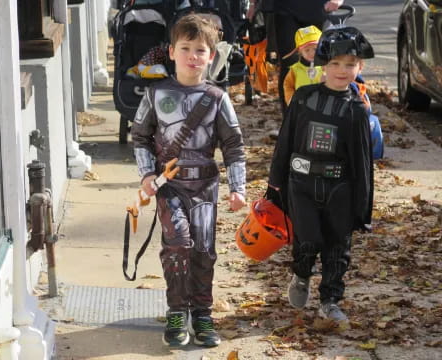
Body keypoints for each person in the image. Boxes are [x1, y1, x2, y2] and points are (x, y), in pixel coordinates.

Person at [131, 14, 247, 347]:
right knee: (178, 245)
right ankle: (177, 311)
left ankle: (203, 314)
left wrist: (238, 188)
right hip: (171, 187)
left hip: (206, 187)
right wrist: (147, 174)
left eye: (200, 50)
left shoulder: (218, 98)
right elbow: (140, 136)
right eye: (186, 48)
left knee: (204, 250)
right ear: (171, 52)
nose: (193, 56)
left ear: (212, 55)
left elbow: (234, 146)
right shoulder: (156, 93)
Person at [266, 26, 375, 322]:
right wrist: (274, 185)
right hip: (300, 184)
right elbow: (285, 142)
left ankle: (330, 299)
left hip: (340, 187)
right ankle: (301, 275)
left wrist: (363, 206)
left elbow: (363, 161)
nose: (342, 70)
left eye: (350, 65)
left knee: (338, 246)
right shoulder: (303, 98)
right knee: (308, 239)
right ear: (323, 65)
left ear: (360, 67)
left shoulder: (356, 111)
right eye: (335, 64)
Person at [247, 0, 344, 111]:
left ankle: (324, 113)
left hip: (320, 7)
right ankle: (290, 117)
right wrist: (252, 4)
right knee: (289, 64)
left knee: (322, 62)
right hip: (284, 9)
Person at [282, 25, 324, 105]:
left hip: (322, 107)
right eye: (307, 50)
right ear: (300, 51)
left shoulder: (325, 67)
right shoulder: (295, 69)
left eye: (315, 49)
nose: (312, 53)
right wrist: (291, 100)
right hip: (301, 107)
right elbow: (288, 85)